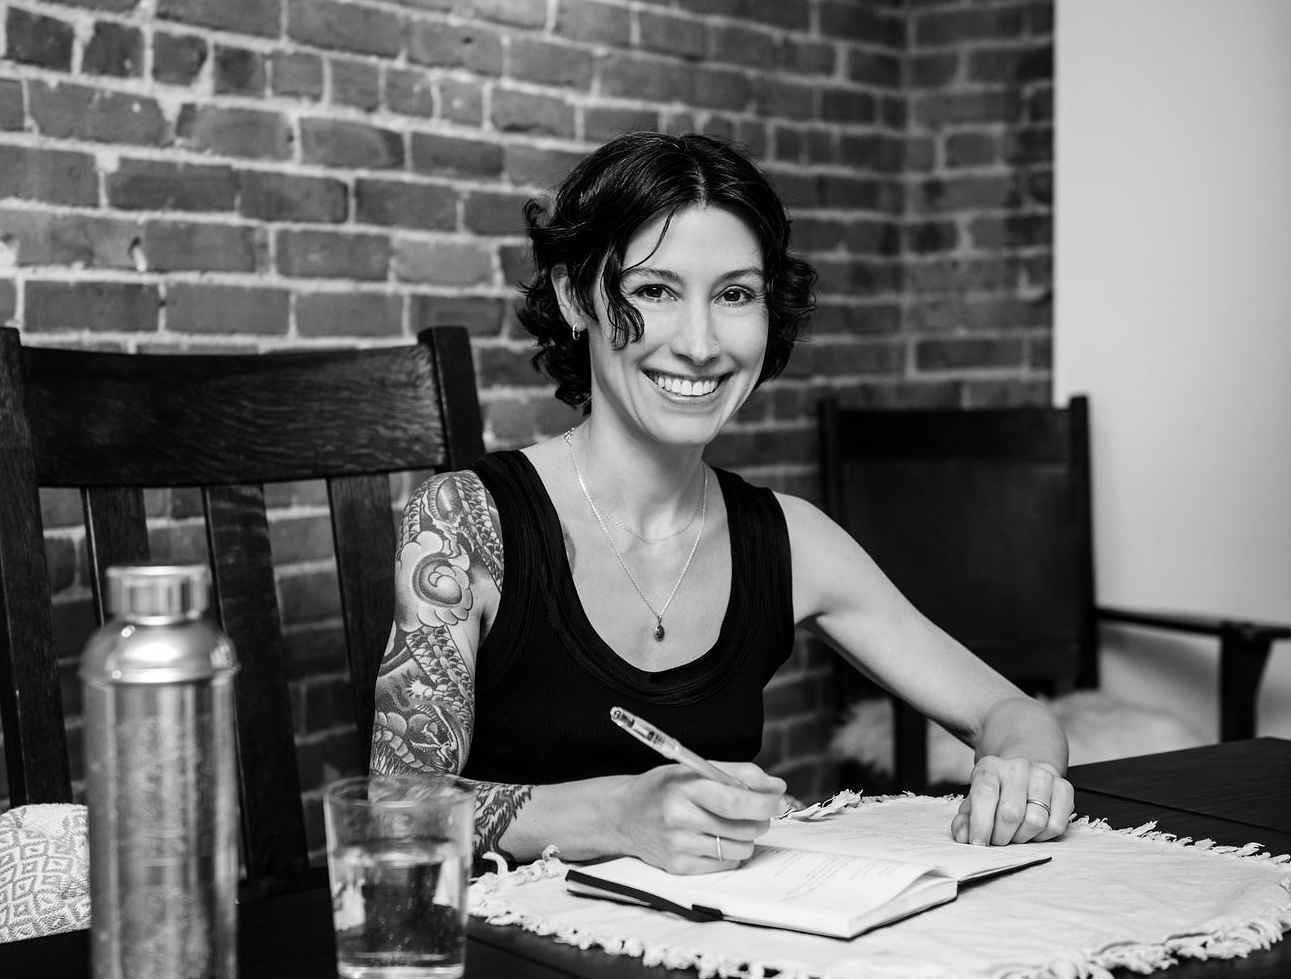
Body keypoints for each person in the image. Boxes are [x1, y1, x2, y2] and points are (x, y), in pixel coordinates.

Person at [370, 131, 1073, 875]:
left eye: (735, 294)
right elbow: (394, 809)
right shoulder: (463, 524)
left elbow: (1013, 713)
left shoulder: (792, 541)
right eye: (654, 290)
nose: (701, 343)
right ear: (577, 297)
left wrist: (1019, 770)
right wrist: (620, 813)